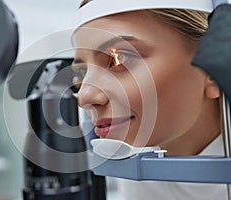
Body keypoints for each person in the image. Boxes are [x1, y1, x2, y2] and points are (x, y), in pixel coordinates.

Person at [71, 0, 228, 199]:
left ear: (212, 68)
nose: (84, 97)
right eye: (82, 72)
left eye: (119, 59)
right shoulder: (134, 155)